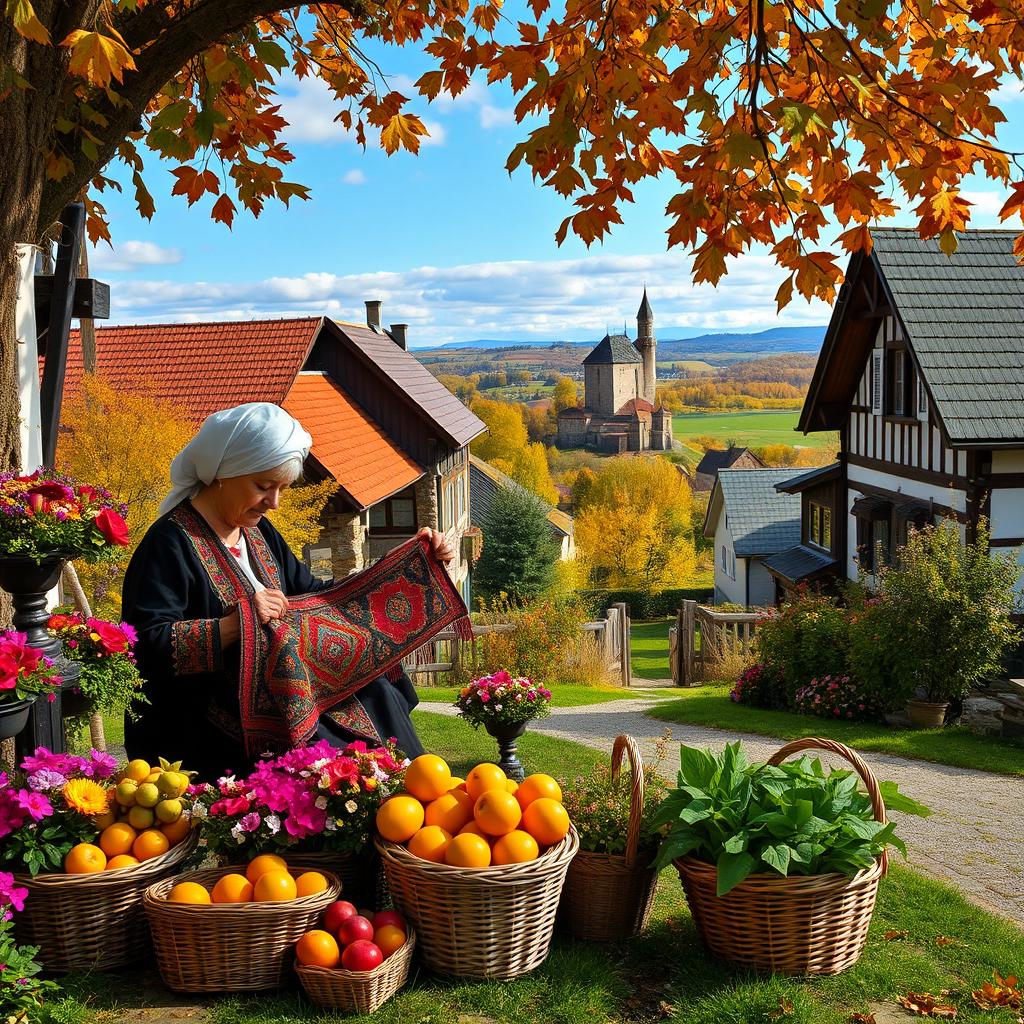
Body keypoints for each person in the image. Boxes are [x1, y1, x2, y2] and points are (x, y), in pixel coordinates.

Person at [122, 402, 455, 780]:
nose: (274, 502)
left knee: (375, 693)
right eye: (263, 486)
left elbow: (315, 598)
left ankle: (414, 803)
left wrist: (402, 564)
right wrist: (236, 624)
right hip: (207, 722)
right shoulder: (169, 543)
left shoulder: (258, 531)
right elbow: (143, 645)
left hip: (284, 696)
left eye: (281, 488)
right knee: (334, 749)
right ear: (221, 474)